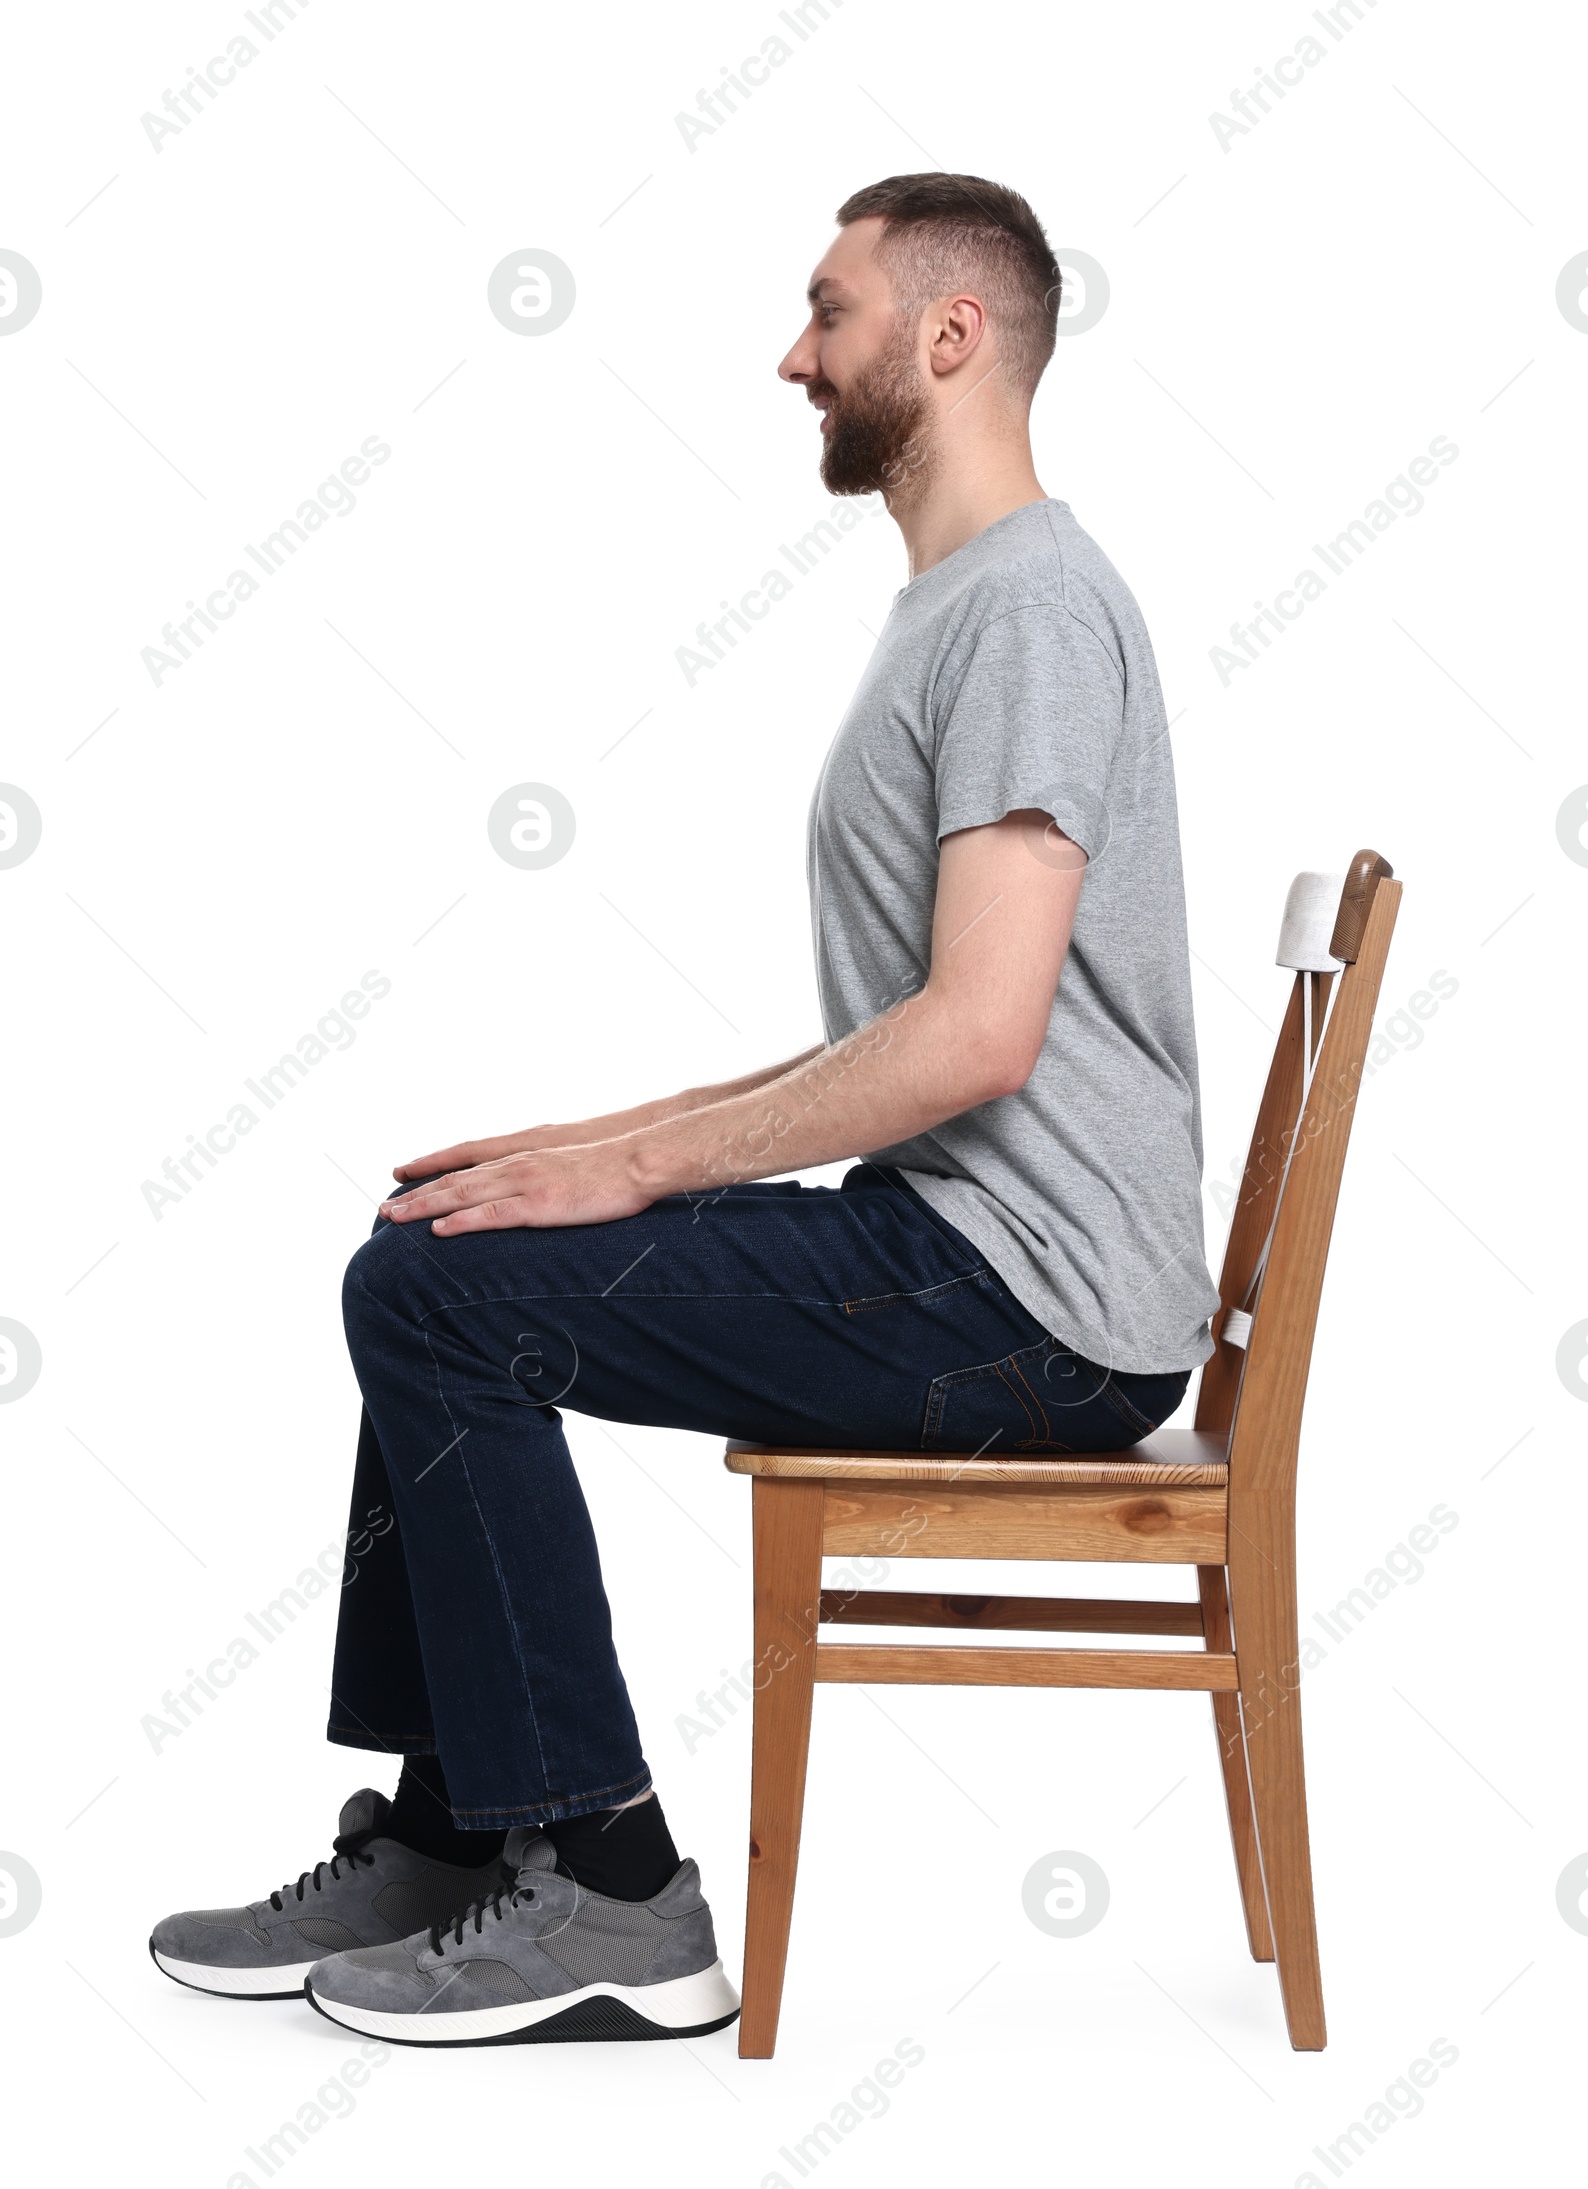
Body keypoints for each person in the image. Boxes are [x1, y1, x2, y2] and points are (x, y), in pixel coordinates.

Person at [151, 172, 1220, 2046]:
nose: (793, 355)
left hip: (1031, 1314)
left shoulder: (1034, 609)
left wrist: (636, 1166)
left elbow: (976, 1037)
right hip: (974, 1261)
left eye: (831, 311)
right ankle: (464, 1823)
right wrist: (586, 1148)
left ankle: (614, 1882)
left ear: (950, 337)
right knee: (453, 1235)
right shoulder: (968, 602)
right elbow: (909, 1027)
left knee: (429, 1298)